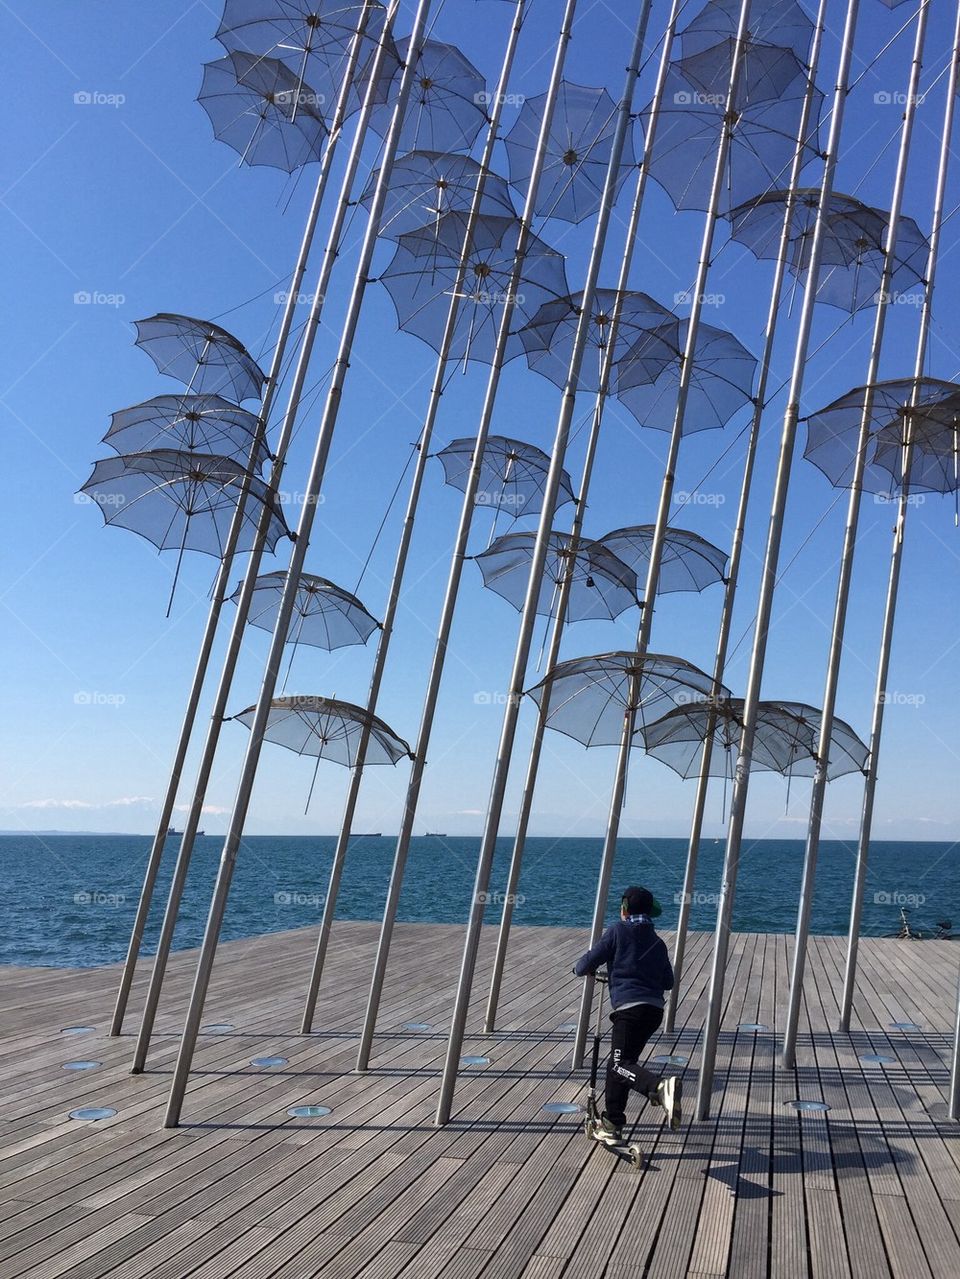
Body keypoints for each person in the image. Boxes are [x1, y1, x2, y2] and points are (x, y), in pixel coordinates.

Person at [573, 885, 681, 1143]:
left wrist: (580, 969)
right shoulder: (657, 942)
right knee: (620, 1065)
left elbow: (587, 962)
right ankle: (612, 1123)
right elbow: (668, 981)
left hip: (629, 1011)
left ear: (624, 909)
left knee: (619, 1065)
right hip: (653, 1012)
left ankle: (658, 1087)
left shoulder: (617, 931)